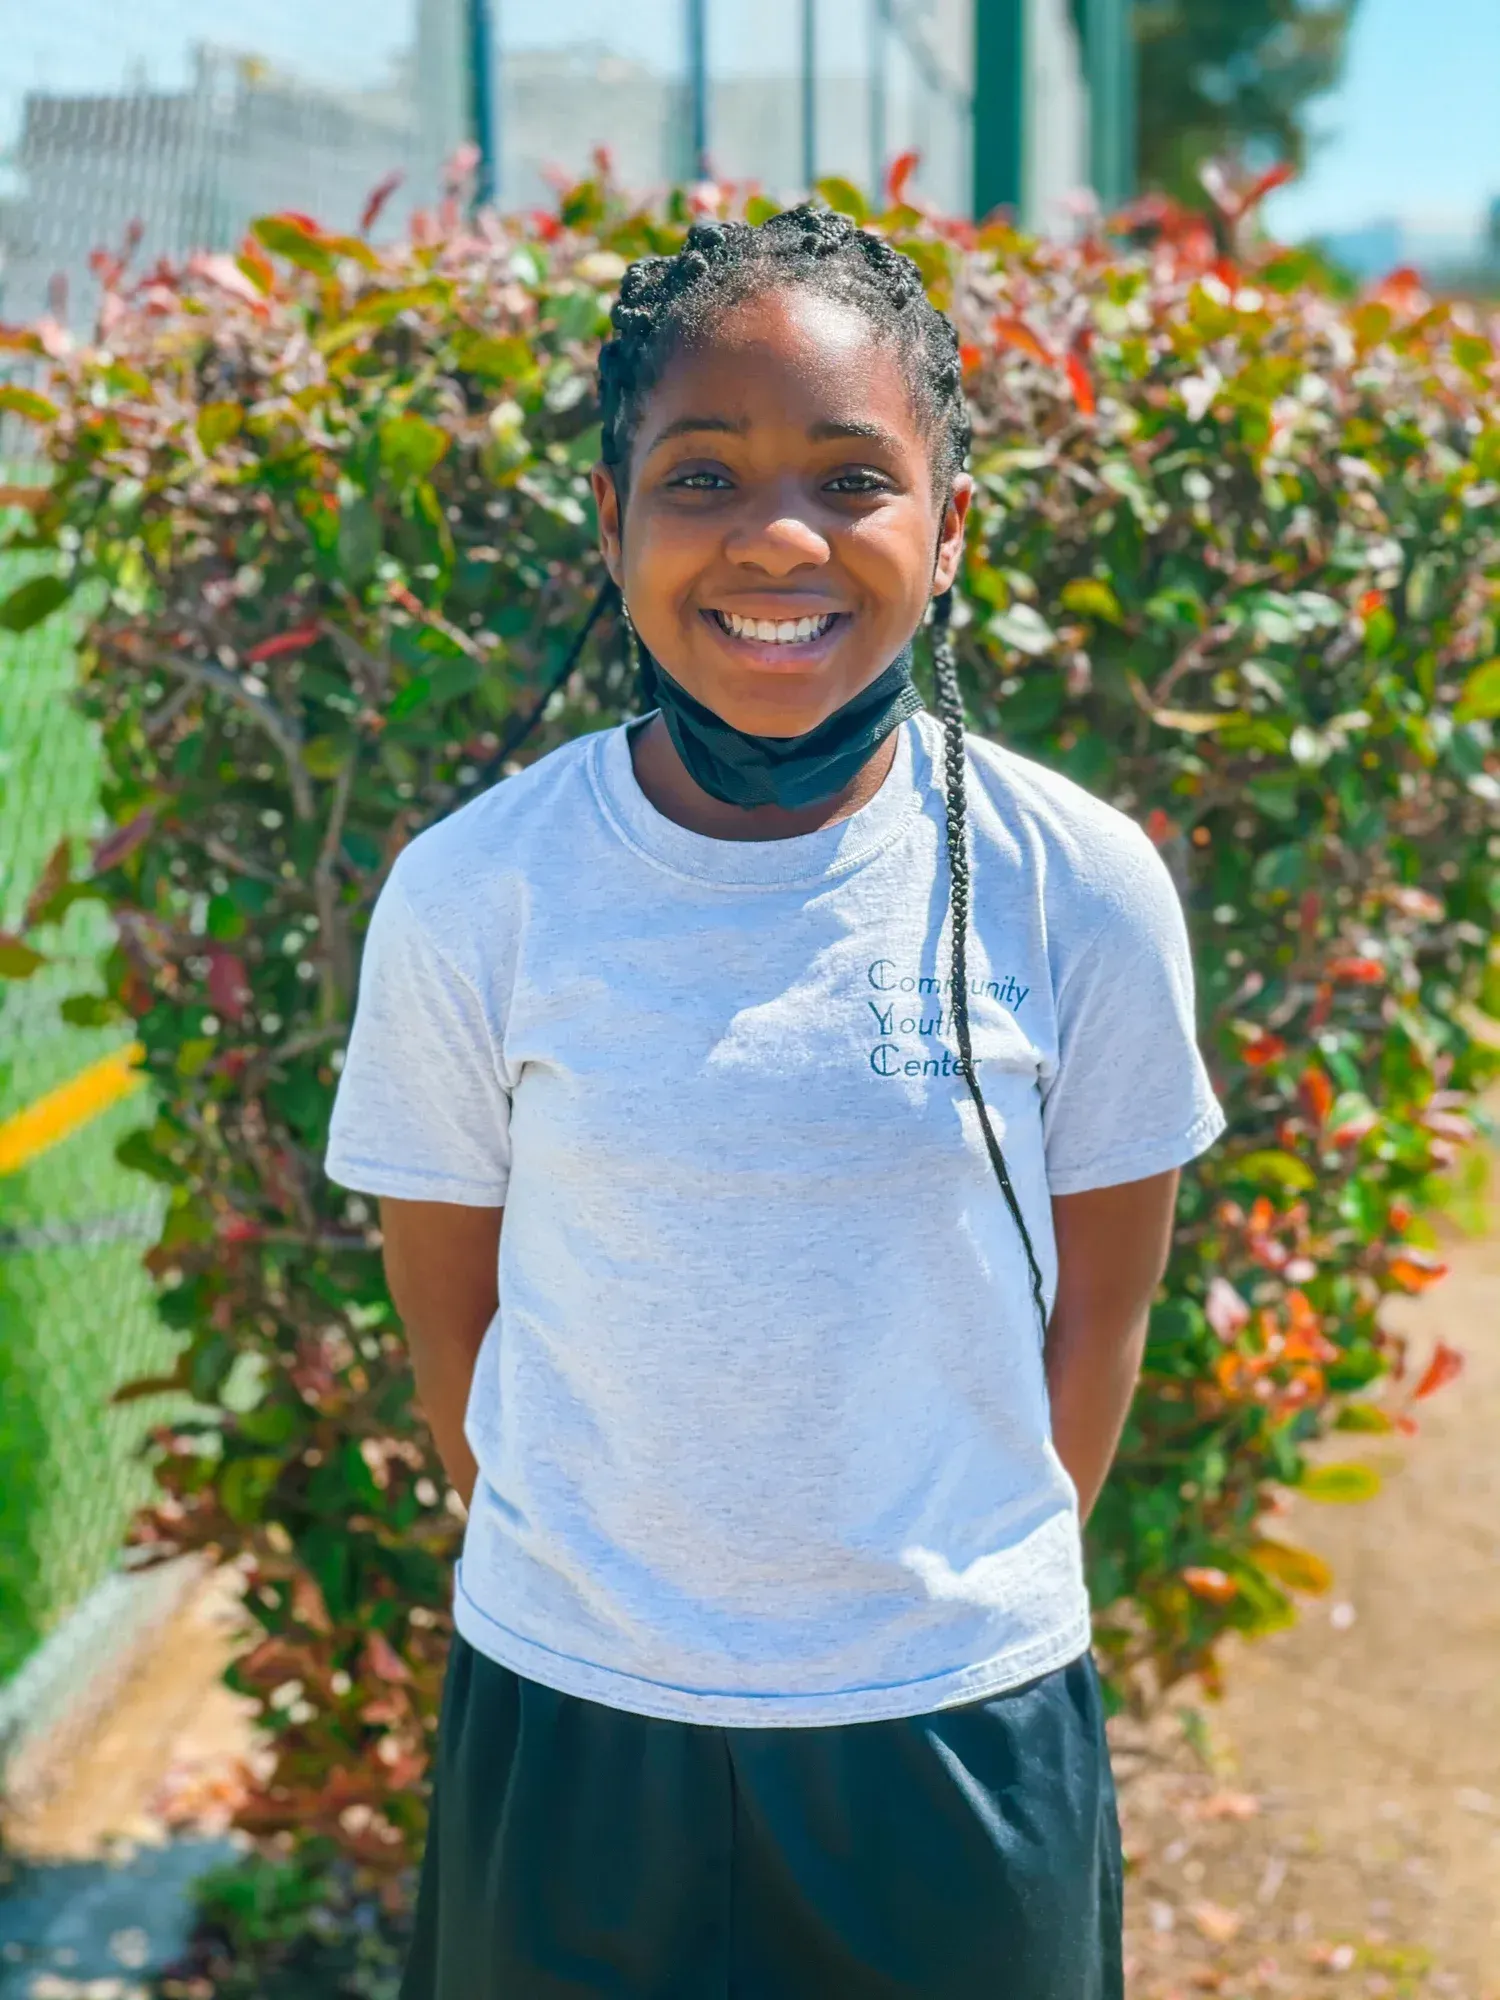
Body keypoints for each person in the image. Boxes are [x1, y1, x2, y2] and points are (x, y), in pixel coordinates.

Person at [326, 205, 1226, 1999]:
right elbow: (456, 1320)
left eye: (852, 477)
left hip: (951, 1743)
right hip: (576, 1730)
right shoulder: (478, 889)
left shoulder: (1077, 883)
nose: (779, 538)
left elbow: (1100, 1314)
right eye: (703, 475)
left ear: (950, 528)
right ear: (613, 520)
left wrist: (912, 1613)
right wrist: (619, 1599)